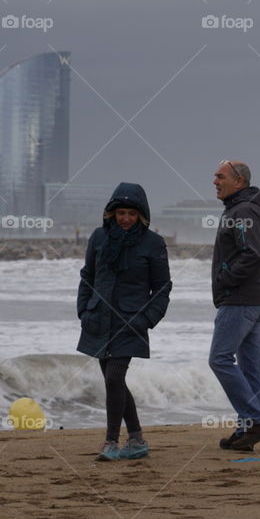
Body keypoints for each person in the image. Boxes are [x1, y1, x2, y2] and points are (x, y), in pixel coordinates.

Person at [76, 182, 171, 461]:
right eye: (121, 213)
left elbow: (162, 288)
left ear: (141, 215)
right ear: (112, 213)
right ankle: (137, 439)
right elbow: (87, 277)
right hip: (98, 320)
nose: (126, 218)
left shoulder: (153, 243)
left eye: (131, 213)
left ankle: (110, 442)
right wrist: (83, 310)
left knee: (115, 377)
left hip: (131, 323)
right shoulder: (98, 238)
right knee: (113, 380)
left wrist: (146, 320)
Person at [208, 160, 260, 451]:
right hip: (252, 299)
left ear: (239, 181)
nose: (214, 181)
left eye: (220, 176)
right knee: (249, 368)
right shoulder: (238, 209)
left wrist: (226, 278)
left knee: (219, 359)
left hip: (241, 299)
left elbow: (254, 255)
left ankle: (256, 420)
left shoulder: (244, 210)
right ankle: (248, 427)